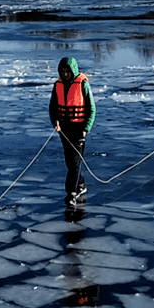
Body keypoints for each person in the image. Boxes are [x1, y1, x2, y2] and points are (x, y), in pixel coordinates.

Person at [49, 57, 97, 206]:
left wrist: (85, 130)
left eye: (68, 71)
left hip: (78, 129)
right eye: (62, 72)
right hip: (64, 130)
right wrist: (55, 121)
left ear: (73, 70)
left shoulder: (83, 84)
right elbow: (53, 107)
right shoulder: (57, 85)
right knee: (70, 162)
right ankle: (81, 184)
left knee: (75, 162)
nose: (65, 74)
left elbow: (92, 109)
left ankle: (71, 193)